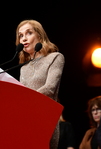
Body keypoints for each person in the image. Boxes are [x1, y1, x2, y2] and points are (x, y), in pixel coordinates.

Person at [16, 19, 65, 149]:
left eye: (29, 33)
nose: (24, 39)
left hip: (45, 120)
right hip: (25, 122)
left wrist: (27, 99)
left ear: (39, 35)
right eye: (21, 36)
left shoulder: (55, 58)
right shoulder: (24, 68)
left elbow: (49, 88)